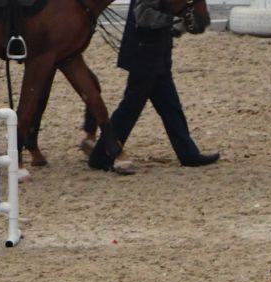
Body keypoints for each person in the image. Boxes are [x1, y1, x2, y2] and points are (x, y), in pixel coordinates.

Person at [86, 0, 218, 174]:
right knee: (131, 108)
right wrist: (173, 21)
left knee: (170, 106)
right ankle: (101, 156)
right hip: (145, 54)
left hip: (155, 52)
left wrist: (177, 27)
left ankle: (188, 153)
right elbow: (142, 16)